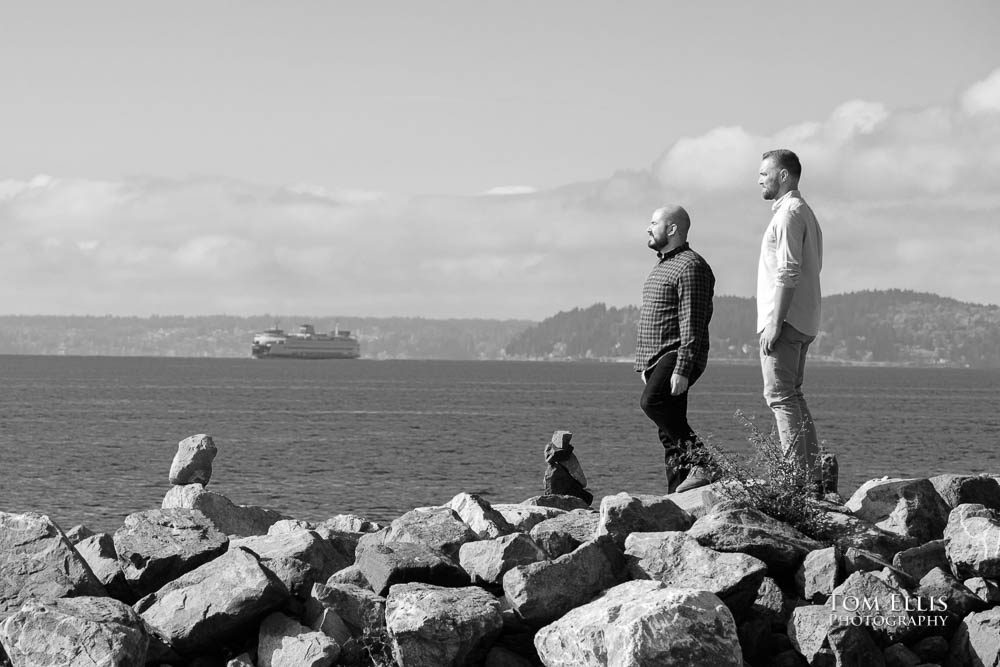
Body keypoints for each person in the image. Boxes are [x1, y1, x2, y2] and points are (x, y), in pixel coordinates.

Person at [756, 149, 824, 489]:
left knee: (780, 396)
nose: (759, 179)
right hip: (805, 319)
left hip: (785, 321)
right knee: (792, 395)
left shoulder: (788, 214)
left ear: (784, 175)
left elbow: (787, 271)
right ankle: (811, 477)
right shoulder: (805, 212)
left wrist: (774, 321)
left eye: (764, 173)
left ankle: (795, 479)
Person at [636, 205, 716, 493]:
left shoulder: (691, 265)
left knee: (652, 402)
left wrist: (682, 368)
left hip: (677, 354)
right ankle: (679, 494)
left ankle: (705, 463)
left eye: (654, 222)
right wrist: (646, 366)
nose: (648, 227)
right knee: (669, 434)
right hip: (658, 359)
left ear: (672, 229)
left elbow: (693, 321)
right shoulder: (664, 265)